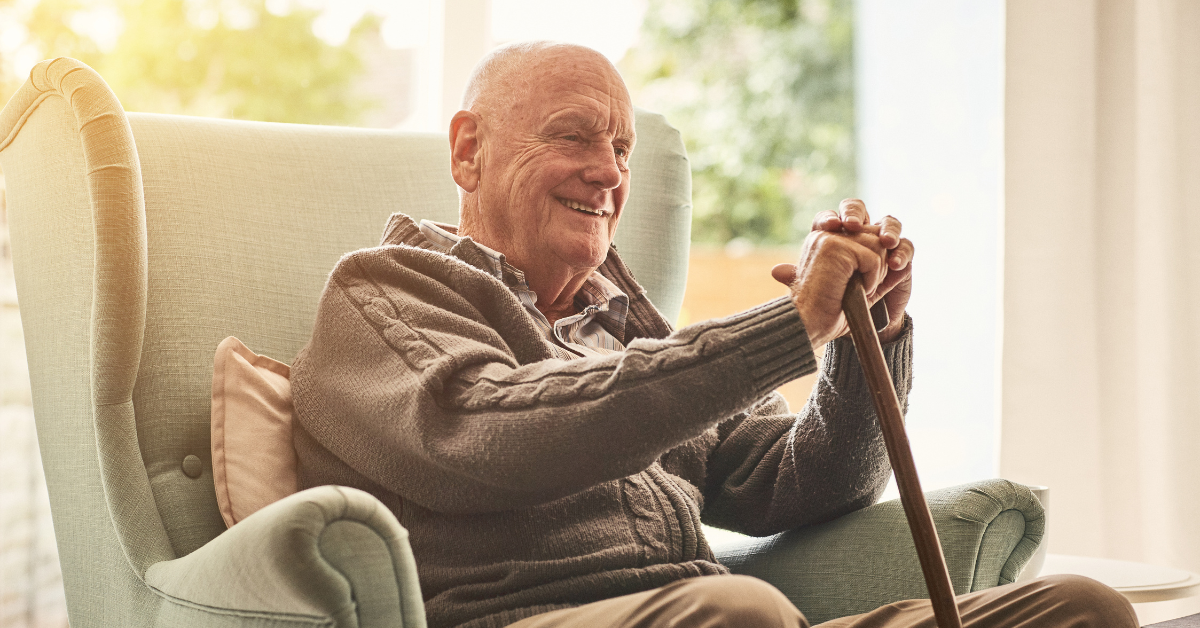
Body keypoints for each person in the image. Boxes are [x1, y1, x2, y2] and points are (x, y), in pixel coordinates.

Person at [291, 41, 1136, 628]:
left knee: (1082, 611)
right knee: (741, 611)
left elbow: (801, 483)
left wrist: (858, 339)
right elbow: (493, 436)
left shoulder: (630, 330)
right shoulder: (388, 290)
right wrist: (789, 322)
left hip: (726, 620)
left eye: (622, 149)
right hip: (537, 617)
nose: (610, 173)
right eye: (576, 135)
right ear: (469, 150)